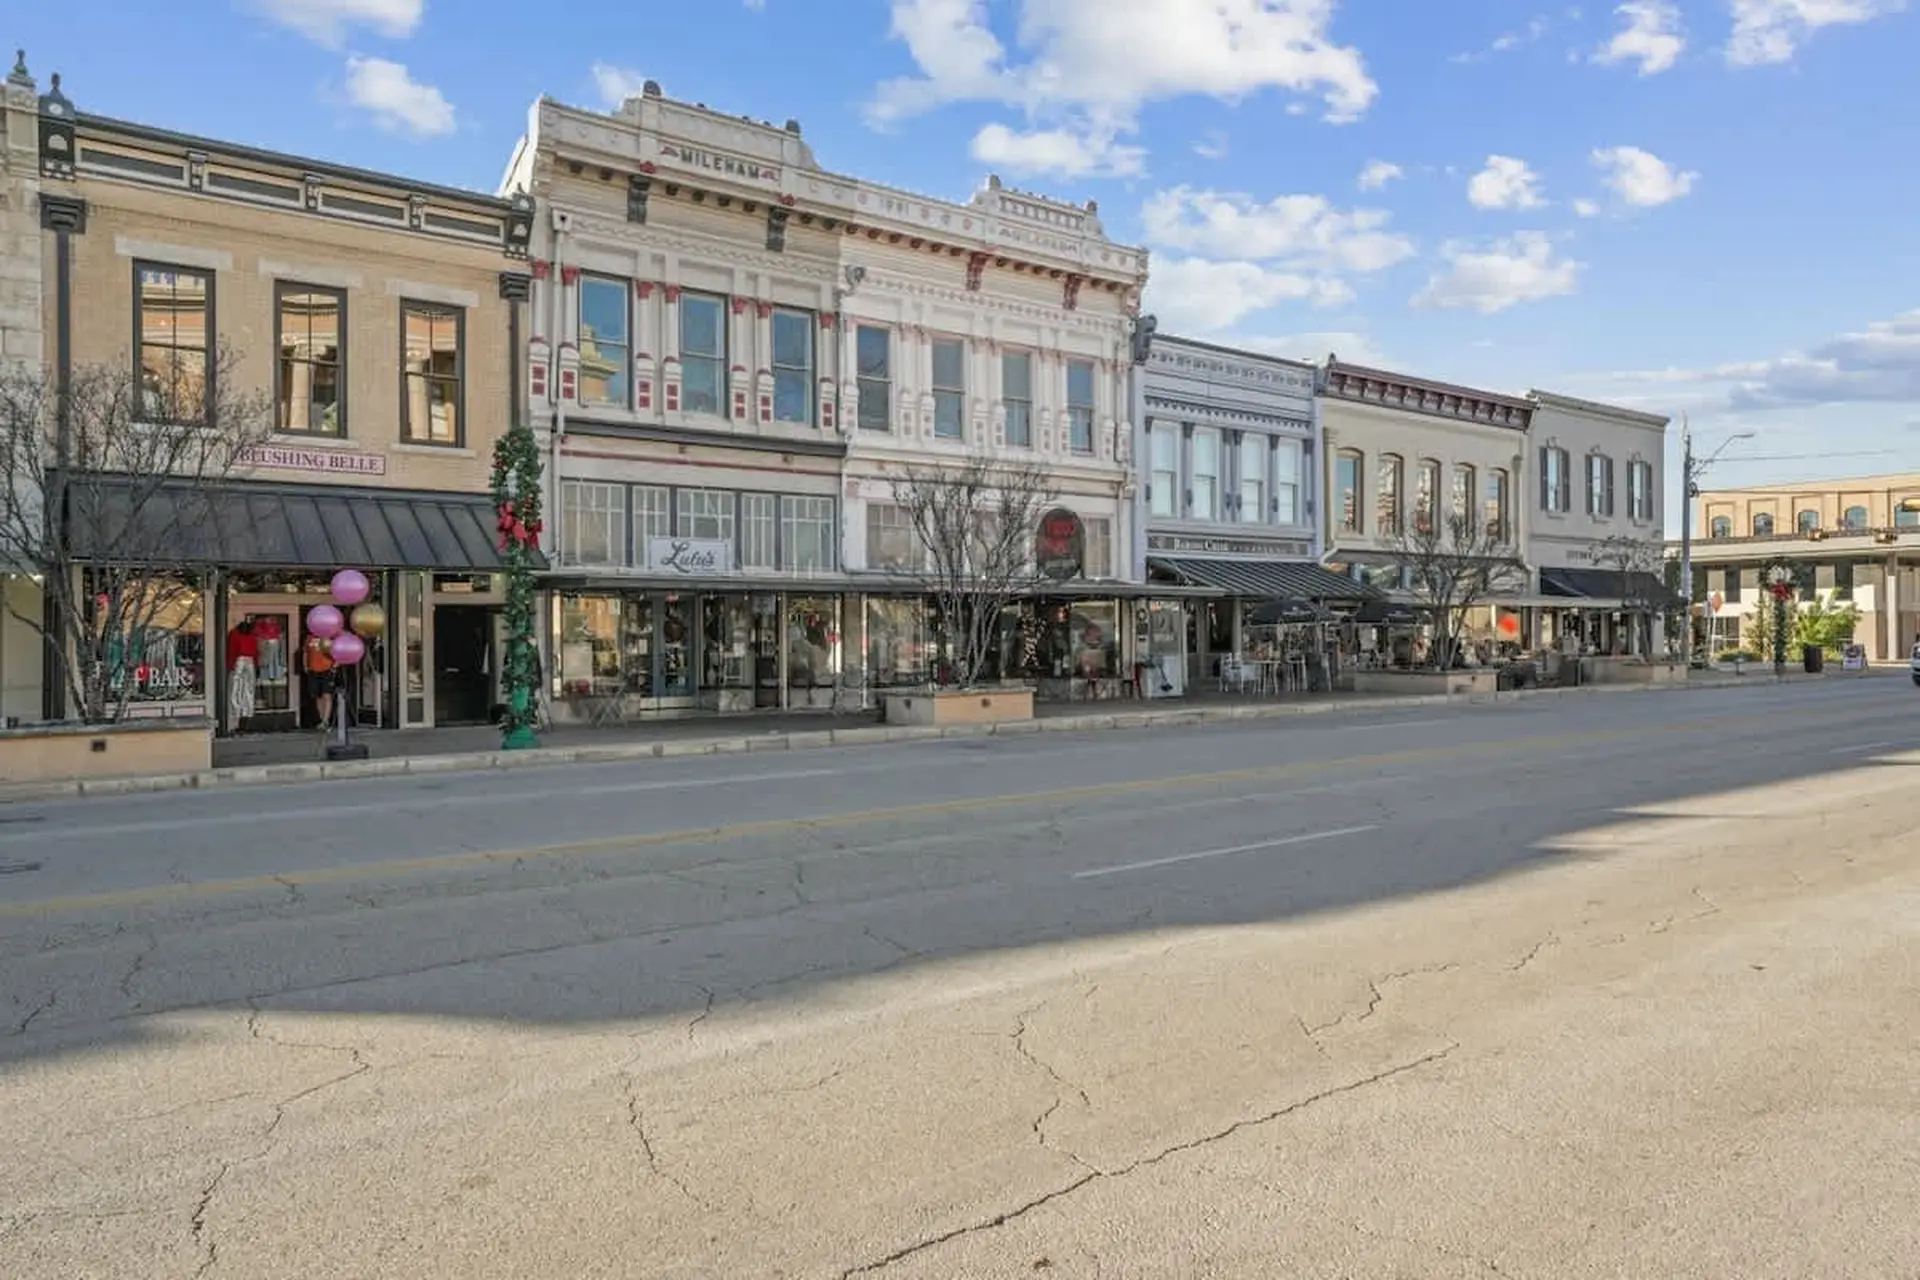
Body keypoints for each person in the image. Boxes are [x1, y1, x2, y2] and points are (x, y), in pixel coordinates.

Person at [226, 618, 259, 733]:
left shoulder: (234, 634)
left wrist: (230, 666)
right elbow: (255, 653)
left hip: (238, 662)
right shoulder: (252, 635)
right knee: (248, 692)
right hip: (250, 664)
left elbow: (231, 650)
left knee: (234, 692)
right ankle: (245, 721)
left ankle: (234, 722)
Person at [303, 629, 337, 733]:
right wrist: (305, 665)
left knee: (327, 695)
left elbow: (336, 651)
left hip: (327, 669)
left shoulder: (329, 637)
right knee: (317, 696)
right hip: (313, 669)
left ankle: (326, 721)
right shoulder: (309, 638)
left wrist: (336, 664)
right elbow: (305, 652)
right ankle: (322, 720)